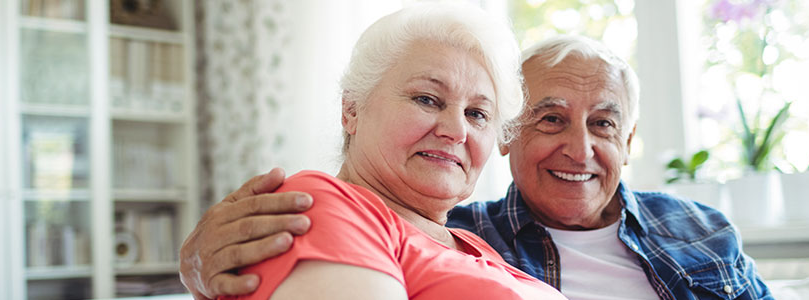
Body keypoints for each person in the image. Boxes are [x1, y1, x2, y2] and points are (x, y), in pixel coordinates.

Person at [182, 35, 774, 299]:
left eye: (603, 124)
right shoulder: (459, 232)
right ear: (511, 137)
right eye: (549, 119)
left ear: (629, 140)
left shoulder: (703, 229)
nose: (579, 148)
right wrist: (196, 265)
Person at [183, 3, 568, 300]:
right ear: (352, 109)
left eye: (477, 114)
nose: (455, 131)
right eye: (427, 99)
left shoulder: (475, 244)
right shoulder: (320, 205)